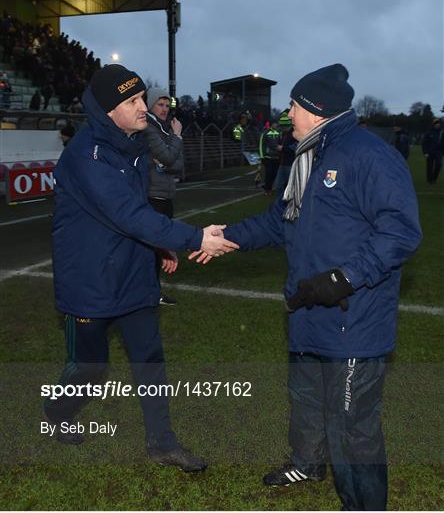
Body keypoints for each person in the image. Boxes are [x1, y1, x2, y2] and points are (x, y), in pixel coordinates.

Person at [190, 64, 422, 509]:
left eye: (294, 105)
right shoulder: (306, 155)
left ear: (316, 111)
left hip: (351, 317)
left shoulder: (367, 155)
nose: (287, 113)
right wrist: (228, 237)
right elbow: (282, 221)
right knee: (307, 396)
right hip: (307, 307)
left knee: (353, 425)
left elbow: (401, 233)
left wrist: (345, 278)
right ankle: (308, 462)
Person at [45, 64, 238, 472]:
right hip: (91, 283)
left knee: (150, 357)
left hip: (132, 273)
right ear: (108, 111)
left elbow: (136, 215)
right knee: (92, 368)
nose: (143, 108)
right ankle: (58, 411)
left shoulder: (129, 143)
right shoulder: (87, 157)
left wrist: (157, 246)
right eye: (131, 101)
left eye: (140, 98)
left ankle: (162, 443)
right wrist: (193, 238)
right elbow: (127, 214)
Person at [144, 87, 183, 306]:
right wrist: (177, 137)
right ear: (150, 104)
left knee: (157, 248)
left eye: (167, 106)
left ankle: (153, 291)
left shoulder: (162, 129)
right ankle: (150, 292)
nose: (165, 109)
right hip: (153, 195)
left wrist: (165, 163)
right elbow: (169, 158)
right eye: (160, 104)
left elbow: (178, 165)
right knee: (152, 247)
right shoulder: (150, 129)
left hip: (165, 195)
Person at [274, 110, 297, 194]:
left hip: (290, 164)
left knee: (290, 186)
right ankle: (280, 203)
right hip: (282, 163)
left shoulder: (294, 134)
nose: (282, 128)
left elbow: (295, 147)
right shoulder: (283, 134)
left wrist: (283, 148)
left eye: (283, 127)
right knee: (278, 185)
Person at [259, 121, 281, 195]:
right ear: (272, 124)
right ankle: (267, 189)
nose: (276, 125)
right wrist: (262, 157)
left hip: (277, 157)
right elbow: (261, 145)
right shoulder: (265, 133)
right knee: (269, 174)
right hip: (268, 157)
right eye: (275, 123)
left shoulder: (279, 133)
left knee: (275, 174)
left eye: (276, 124)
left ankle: (271, 188)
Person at [422, 118, 443, 183]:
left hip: (439, 152)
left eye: (439, 124)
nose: (438, 125)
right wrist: (425, 152)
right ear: (433, 125)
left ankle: (434, 178)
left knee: (438, 165)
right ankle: (429, 180)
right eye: (436, 124)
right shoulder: (428, 133)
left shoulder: (442, 133)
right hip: (429, 152)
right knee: (429, 167)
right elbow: (424, 143)